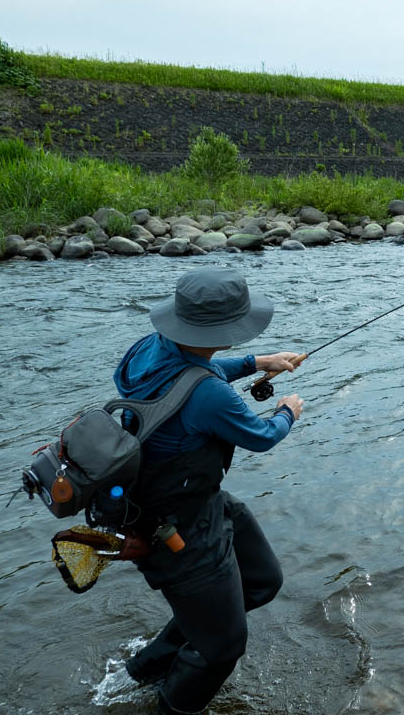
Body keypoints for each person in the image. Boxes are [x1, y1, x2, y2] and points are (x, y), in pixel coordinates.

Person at [113, 268, 304, 714]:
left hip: (187, 497)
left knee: (262, 580)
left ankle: (146, 668)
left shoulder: (145, 349)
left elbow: (194, 369)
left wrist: (259, 362)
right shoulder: (212, 397)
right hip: (175, 528)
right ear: (225, 328)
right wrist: (287, 411)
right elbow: (259, 436)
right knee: (224, 647)